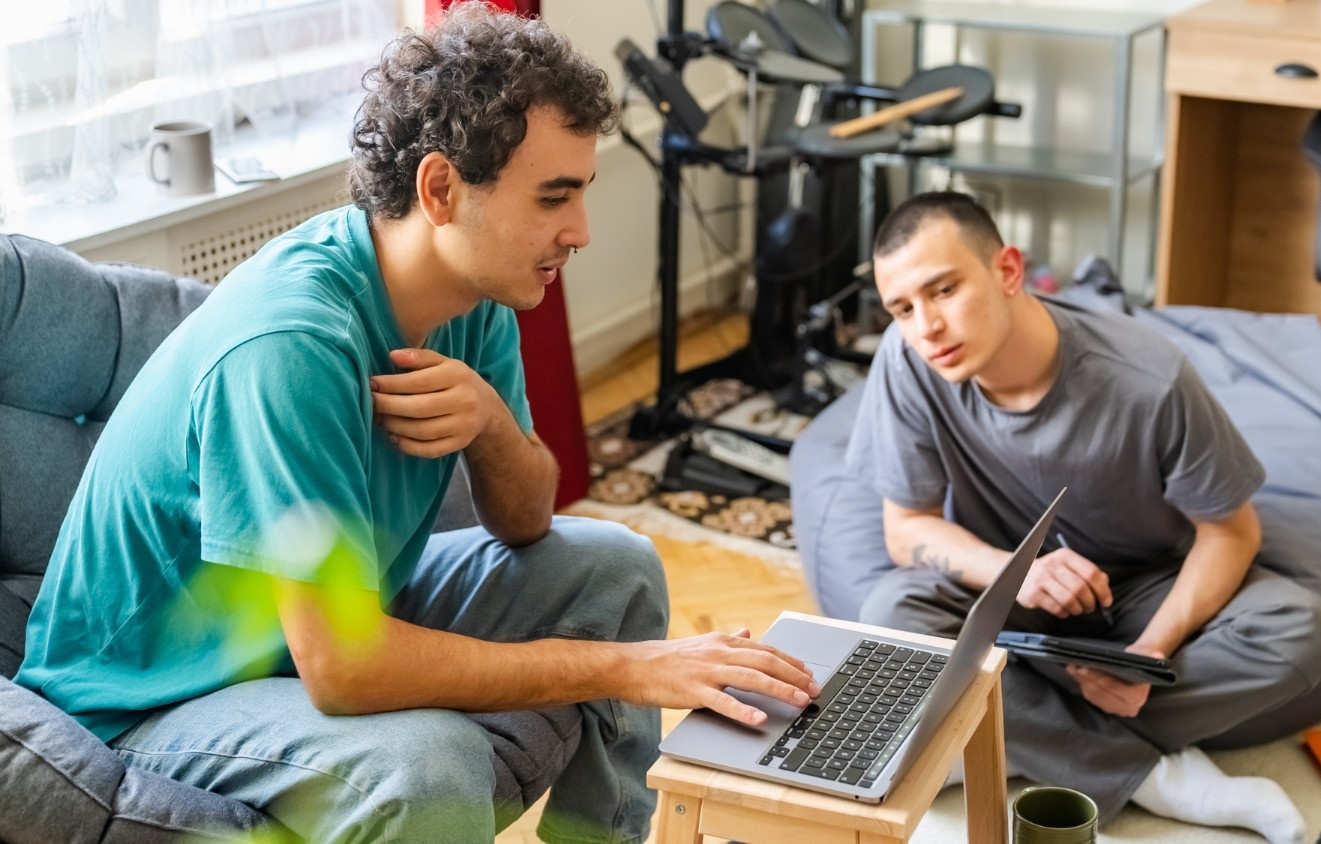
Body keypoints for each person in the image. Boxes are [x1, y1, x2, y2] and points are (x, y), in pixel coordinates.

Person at [14, 7, 818, 844]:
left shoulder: (474, 292)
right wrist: (631, 669)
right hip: (152, 696)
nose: (577, 233)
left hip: (322, 625)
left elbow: (526, 521)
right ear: (440, 190)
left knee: (618, 566)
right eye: (553, 199)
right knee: (430, 767)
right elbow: (342, 667)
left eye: (580, 195)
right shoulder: (291, 346)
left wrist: (492, 424)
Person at [848, 191, 1321, 844]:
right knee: (889, 614)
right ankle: (1143, 776)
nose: (926, 327)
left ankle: (990, 728)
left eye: (942, 291)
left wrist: (1151, 652)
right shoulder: (908, 358)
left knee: (1307, 631)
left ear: (1007, 271)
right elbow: (905, 528)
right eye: (902, 308)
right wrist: (1013, 574)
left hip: (1145, 590)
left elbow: (1232, 531)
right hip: (1013, 600)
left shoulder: (1148, 378)